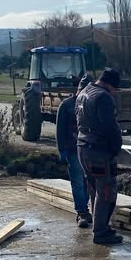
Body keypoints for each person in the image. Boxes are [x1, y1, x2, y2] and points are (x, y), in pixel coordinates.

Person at [76, 67, 123, 244]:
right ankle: (101, 231)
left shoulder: (84, 92)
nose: (115, 92)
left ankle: (99, 226)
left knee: (94, 188)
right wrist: (115, 149)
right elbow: (110, 127)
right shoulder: (103, 97)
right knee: (106, 191)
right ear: (110, 85)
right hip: (98, 150)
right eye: (115, 89)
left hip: (82, 147)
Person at [56, 74, 93, 228]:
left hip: (89, 150)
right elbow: (60, 129)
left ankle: (87, 208)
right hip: (73, 149)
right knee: (78, 182)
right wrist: (62, 150)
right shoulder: (66, 105)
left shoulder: (91, 105)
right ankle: (82, 212)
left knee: (88, 182)